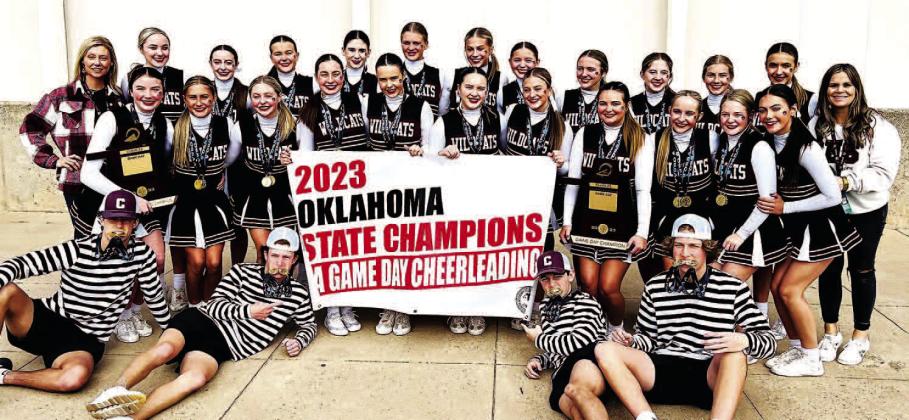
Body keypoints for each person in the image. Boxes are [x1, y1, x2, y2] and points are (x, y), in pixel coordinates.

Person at [86, 227, 317, 420]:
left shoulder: (297, 294)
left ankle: (130, 418)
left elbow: (309, 325)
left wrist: (299, 340)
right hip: (202, 320)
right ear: (266, 255)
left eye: (286, 257)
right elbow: (215, 304)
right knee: (165, 349)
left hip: (226, 345)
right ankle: (116, 389)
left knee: (194, 379)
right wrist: (247, 311)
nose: (279, 262)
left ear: (294, 259)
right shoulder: (242, 272)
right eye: (275, 255)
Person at [594, 214, 776, 420]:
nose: (684, 253)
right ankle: (645, 416)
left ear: (706, 249)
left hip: (708, 374)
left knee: (736, 354)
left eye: (693, 246)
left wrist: (743, 339)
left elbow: (768, 342)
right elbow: (649, 338)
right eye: (678, 245)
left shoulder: (732, 287)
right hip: (660, 370)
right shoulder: (655, 286)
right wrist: (633, 341)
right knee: (604, 348)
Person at [0, 190, 169, 392]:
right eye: (113, 219)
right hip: (48, 319)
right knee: (7, 290)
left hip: (85, 339)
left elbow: (155, 298)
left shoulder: (143, 256)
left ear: (135, 223)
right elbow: (21, 264)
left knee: (73, 379)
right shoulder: (77, 249)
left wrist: (174, 331)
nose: (119, 226)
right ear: (101, 220)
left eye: (125, 220)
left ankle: (5, 375)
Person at [756, 84, 860, 377]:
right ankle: (798, 348)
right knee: (777, 287)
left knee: (790, 290)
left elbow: (832, 195)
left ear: (792, 110)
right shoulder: (769, 142)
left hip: (822, 228)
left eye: (776, 109)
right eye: (763, 110)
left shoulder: (806, 146)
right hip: (799, 228)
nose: (769, 115)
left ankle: (812, 358)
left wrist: (785, 208)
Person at [811, 64, 902, 365]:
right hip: (828, 210)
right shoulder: (816, 125)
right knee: (828, 268)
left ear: (857, 88)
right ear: (825, 90)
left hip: (866, 210)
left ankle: (860, 336)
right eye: (833, 85)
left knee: (862, 269)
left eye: (846, 84)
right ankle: (830, 331)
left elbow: (883, 174)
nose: (840, 90)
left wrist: (847, 182)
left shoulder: (879, 127)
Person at [80, 66, 175, 343]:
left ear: (163, 94)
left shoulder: (164, 123)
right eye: (141, 88)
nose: (148, 95)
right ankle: (118, 317)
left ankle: (133, 310)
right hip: (114, 207)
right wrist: (128, 198)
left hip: (146, 206)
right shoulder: (112, 118)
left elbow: (164, 165)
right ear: (130, 91)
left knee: (155, 260)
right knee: (118, 264)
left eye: (155, 89)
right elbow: (88, 173)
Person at [561, 81, 654, 336]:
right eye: (603, 103)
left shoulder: (639, 137)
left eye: (615, 103)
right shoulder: (585, 133)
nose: (608, 108)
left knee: (608, 287)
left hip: (621, 224)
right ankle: (590, 329)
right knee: (588, 285)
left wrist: (642, 232)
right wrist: (567, 220)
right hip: (586, 220)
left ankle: (616, 329)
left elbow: (643, 190)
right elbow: (575, 181)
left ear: (626, 106)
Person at [19, 36, 123, 236]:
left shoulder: (118, 98)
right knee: (85, 237)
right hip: (77, 182)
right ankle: (77, 268)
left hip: (113, 179)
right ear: (82, 62)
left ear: (111, 63)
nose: (97, 62)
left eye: (103, 58)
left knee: (115, 236)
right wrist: (54, 160)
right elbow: (29, 129)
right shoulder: (61, 96)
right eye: (91, 56)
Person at [711, 89, 789, 356]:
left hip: (754, 230)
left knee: (725, 285)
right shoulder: (721, 142)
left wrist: (741, 235)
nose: (730, 120)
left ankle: (751, 343)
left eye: (738, 115)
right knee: (710, 278)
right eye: (725, 114)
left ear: (751, 117)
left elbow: (767, 201)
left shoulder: (759, 147)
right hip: (726, 227)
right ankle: (731, 337)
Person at [428, 67, 504, 335]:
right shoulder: (443, 122)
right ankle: (457, 307)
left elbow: (509, 158)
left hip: (487, 199)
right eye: (469, 87)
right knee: (457, 256)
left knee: (483, 255)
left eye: (480, 88)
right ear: (458, 89)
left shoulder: (498, 119)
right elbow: (430, 163)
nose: (474, 93)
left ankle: (478, 307)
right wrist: (441, 153)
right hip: (454, 201)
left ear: (487, 92)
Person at [363, 53, 435, 336]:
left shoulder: (421, 106)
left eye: (394, 78)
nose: (389, 85)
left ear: (403, 75)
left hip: (411, 189)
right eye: (382, 79)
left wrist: (421, 152)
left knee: (407, 247)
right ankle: (387, 304)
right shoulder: (369, 102)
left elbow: (432, 147)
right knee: (382, 249)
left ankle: (405, 305)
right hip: (379, 188)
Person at [297, 53, 368, 336]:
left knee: (355, 251)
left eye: (335, 74)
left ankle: (348, 305)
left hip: (359, 190)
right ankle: (331, 309)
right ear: (316, 78)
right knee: (332, 251)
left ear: (344, 75)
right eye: (324, 74)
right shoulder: (308, 111)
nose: (330, 80)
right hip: (327, 193)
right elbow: (306, 156)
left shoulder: (360, 102)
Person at [165, 76, 242, 308]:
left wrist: (220, 172)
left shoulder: (225, 123)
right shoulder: (174, 127)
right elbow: (165, 161)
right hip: (186, 203)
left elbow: (231, 156)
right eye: (193, 97)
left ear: (213, 98)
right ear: (184, 99)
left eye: (204, 97)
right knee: (197, 262)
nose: (199, 102)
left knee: (215, 262)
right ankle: (195, 306)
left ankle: (211, 307)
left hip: (214, 201)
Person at [638, 90, 716, 286]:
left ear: (699, 116)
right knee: (672, 275)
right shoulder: (653, 139)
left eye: (689, 114)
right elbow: (645, 187)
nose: (682, 118)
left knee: (700, 275)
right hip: (666, 216)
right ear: (669, 112)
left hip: (701, 215)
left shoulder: (710, 137)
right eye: (677, 112)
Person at [521, 250, 609, 419]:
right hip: (562, 373)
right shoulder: (546, 305)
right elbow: (558, 346)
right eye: (545, 279)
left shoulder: (585, 302)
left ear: (571, 275)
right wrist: (541, 360)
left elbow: (579, 344)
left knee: (576, 392)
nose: (551, 284)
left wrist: (539, 339)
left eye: (557, 276)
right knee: (576, 412)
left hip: (587, 362)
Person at [502, 67, 573, 251]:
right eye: (526, 90)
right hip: (511, 192)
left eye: (538, 89)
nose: (532, 94)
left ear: (548, 90)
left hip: (541, 199)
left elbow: (567, 169)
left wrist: (560, 163)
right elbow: (502, 145)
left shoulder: (563, 124)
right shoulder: (512, 111)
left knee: (541, 247)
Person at [233, 76, 300, 264]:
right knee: (265, 253)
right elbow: (229, 160)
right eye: (256, 96)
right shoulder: (242, 126)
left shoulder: (296, 124)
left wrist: (294, 160)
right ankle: (262, 292)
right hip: (255, 196)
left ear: (279, 97)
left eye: (268, 96)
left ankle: (281, 292)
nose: (262, 101)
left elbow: (307, 159)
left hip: (284, 195)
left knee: (283, 253)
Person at [208, 44, 251, 266]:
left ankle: (237, 269)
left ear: (236, 65)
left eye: (228, 62)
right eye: (218, 62)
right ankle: (211, 268)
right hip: (208, 163)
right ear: (210, 64)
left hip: (238, 166)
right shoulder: (203, 91)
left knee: (238, 223)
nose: (223, 67)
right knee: (212, 219)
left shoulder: (247, 94)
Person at [120, 27, 183, 123]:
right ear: (141, 49)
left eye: (165, 48)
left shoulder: (180, 77)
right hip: (142, 135)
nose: (160, 53)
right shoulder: (129, 78)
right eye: (153, 48)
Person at [446, 27, 503, 112]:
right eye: (470, 49)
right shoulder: (453, 76)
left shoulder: (501, 79)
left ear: (490, 50)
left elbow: (500, 117)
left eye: (480, 49)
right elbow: (444, 113)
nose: (475, 54)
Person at [761, 42, 817, 125]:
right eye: (773, 65)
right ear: (766, 66)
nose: (779, 72)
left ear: (796, 67)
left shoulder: (812, 101)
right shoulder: (760, 99)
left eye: (786, 66)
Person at [266, 35, 318, 118]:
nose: (284, 58)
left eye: (289, 53)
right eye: (278, 54)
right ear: (271, 58)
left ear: (297, 56)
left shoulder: (313, 83)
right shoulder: (262, 85)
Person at [557, 50, 608, 134]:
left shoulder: (612, 99)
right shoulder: (564, 97)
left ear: (603, 73)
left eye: (590, 69)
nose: (584, 74)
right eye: (580, 69)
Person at [399, 22, 444, 118]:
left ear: (426, 44)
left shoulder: (439, 75)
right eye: (406, 43)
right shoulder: (392, 74)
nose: (411, 48)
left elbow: (442, 115)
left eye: (416, 43)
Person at [630, 53, 675, 135]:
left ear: (670, 76)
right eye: (652, 72)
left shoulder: (678, 102)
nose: (658, 77)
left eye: (664, 73)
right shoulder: (631, 103)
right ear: (642, 74)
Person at [499, 41, 540, 113]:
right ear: (510, 62)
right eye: (517, 60)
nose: (522, 65)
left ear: (537, 63)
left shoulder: (548, 89)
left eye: (528, 60)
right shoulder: (503, 92)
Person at [698, 55, 733, 133]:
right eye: (711, 75)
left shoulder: (739, 108)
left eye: (722, 75)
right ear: (704, 78)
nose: (716, 80)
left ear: (731, 78)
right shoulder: (697, 108)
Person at [341, 30, 378, 98]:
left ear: (369, 53)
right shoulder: (335, 79)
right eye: (352, 50)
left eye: (362, 51)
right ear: (343, 51)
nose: (357, 56)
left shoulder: (375, 81)